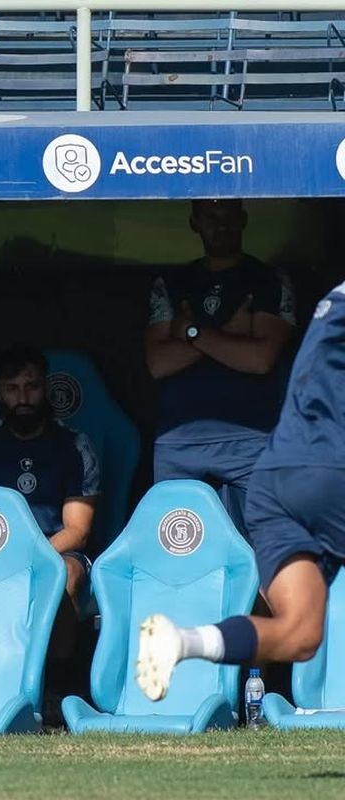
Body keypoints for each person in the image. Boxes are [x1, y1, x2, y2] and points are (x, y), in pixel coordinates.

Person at [137, 281, 344, 702]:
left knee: (299, 633)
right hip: (329, 465)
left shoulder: (330, 305)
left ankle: (181, 642)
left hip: (274, 480)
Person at [145, 199, 295, 534]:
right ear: (194, 222)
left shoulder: (268, 279)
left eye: (228, 216)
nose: (221, 225)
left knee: (265, 546)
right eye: (211, 217)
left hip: (250, 438)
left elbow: (260, 359)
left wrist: (191, 332)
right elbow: (158, 363)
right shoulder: (172, 282)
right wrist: (228, 334)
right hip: (179, 440)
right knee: (179, 546)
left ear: (243, 219)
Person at [0, 344, 101, 659]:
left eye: (32, 386)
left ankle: (52, 683)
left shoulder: (75, 446)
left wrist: (30, 560)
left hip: (60, 552)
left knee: (63, 574)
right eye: (12, 389)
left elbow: (77, 531)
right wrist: (5, 561)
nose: (23, 398)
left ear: (46, 387)